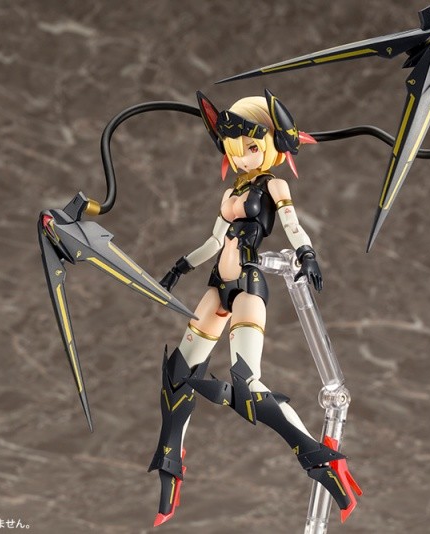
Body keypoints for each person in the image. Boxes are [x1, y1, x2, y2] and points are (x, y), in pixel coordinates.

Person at [148, 90, 357, 526]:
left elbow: (293, 225)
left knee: (246, 384)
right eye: (234, 149)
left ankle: (321, 461)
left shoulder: (273, 185)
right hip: (217, 285)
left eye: (251, 147)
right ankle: (170, 469)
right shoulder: (232, 191)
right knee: (177, 376)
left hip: (247, 281)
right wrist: (179, 267)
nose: (242, 157)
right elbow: (213, 241)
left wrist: (307, 254)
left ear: (273, 144)